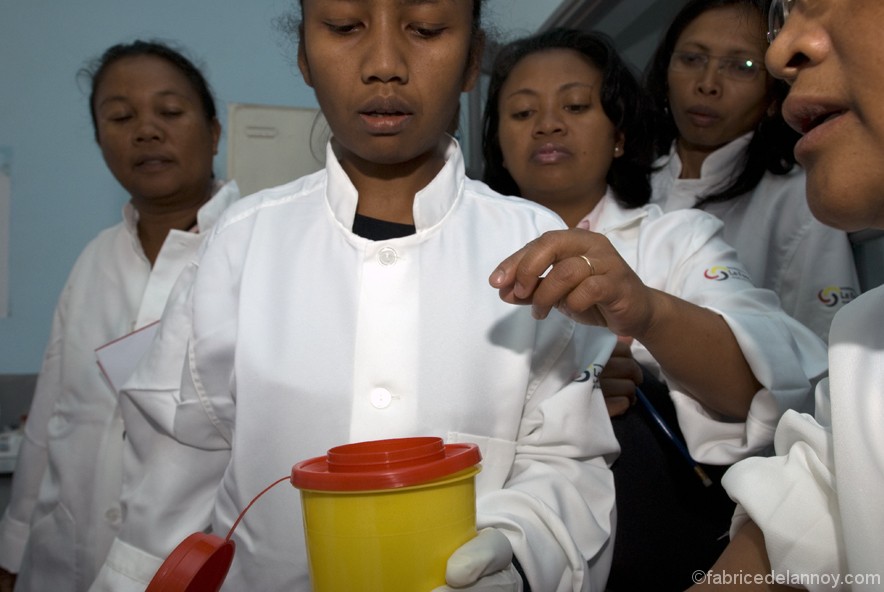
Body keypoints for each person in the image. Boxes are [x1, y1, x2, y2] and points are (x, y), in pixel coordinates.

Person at [88, 2, 621, 591]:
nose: (385, 65)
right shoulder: (240, 246)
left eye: (425, 30)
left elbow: (565, 461)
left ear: (472, 61)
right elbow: (174, 473)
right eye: (344, 27)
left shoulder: (532, 245)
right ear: (304, 56)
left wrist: (518, 550)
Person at [481, 27, 827, 590]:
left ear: (620, 135)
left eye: (575, 104)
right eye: (522, 113)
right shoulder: (459, 252)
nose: (548, 124)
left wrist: (648, 323)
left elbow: (766, 386)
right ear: (498, 143)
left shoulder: (679, 240)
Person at [0, 41, 240, 592]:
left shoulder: (254, 250)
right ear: (100, 139)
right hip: (65, 556)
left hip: (193, 564)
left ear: (213, 132)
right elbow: (50, 415)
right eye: (120, 117)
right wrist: (13, 547)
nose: (146, 131)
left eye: (170, 112)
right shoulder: (92, 260)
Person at [690, 0, 884, 590]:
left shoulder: (852, 341)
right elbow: (809, 515)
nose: (780, 53)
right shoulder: (867, 347)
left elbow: (801, 366)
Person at [645, 0, 859, 343]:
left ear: (774, 95)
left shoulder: (801, 199)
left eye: (742, 66)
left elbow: (823, 354)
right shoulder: (624, 181)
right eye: (692, 59)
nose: (708, 84)